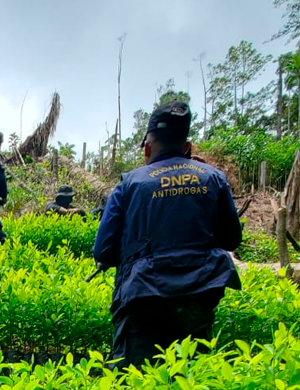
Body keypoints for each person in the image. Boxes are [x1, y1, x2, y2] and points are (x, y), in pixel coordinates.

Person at [92, 101, 242, 368]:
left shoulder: (131, 182)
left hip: (142, 298)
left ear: (147, 147)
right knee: (191, 382)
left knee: (137, 386)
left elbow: (103, 250)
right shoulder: (213, 177)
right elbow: (232, 239)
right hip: (199, 295)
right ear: (188, 147)